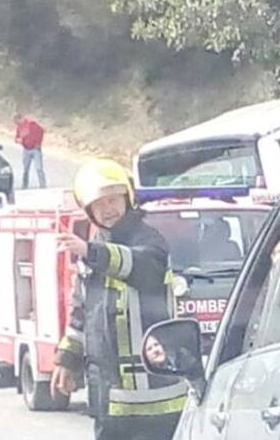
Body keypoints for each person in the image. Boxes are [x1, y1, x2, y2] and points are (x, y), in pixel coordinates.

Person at [52, 158, 186, 440]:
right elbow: (81, 314)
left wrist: (91, 252)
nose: (108, 208)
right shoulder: (93, 252)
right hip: (109, 402)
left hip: (155, 401)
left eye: (113, 199)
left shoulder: (150, 241)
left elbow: (139, 267)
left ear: (128, 198)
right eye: (99, 203)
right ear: (89, 210)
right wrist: (66, 360)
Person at [14, 112, 47, 189]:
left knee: (39, 168)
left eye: (16, 122)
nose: (16, 124)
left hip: (35, 149)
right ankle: (24, 185)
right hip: (26, 149)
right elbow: (17, 137)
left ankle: (42, 185)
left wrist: (38, 143)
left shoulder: (31, 124)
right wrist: (18, 140)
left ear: (20, 119)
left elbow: (41, 131)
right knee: (25, 169)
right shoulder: (19, 128)